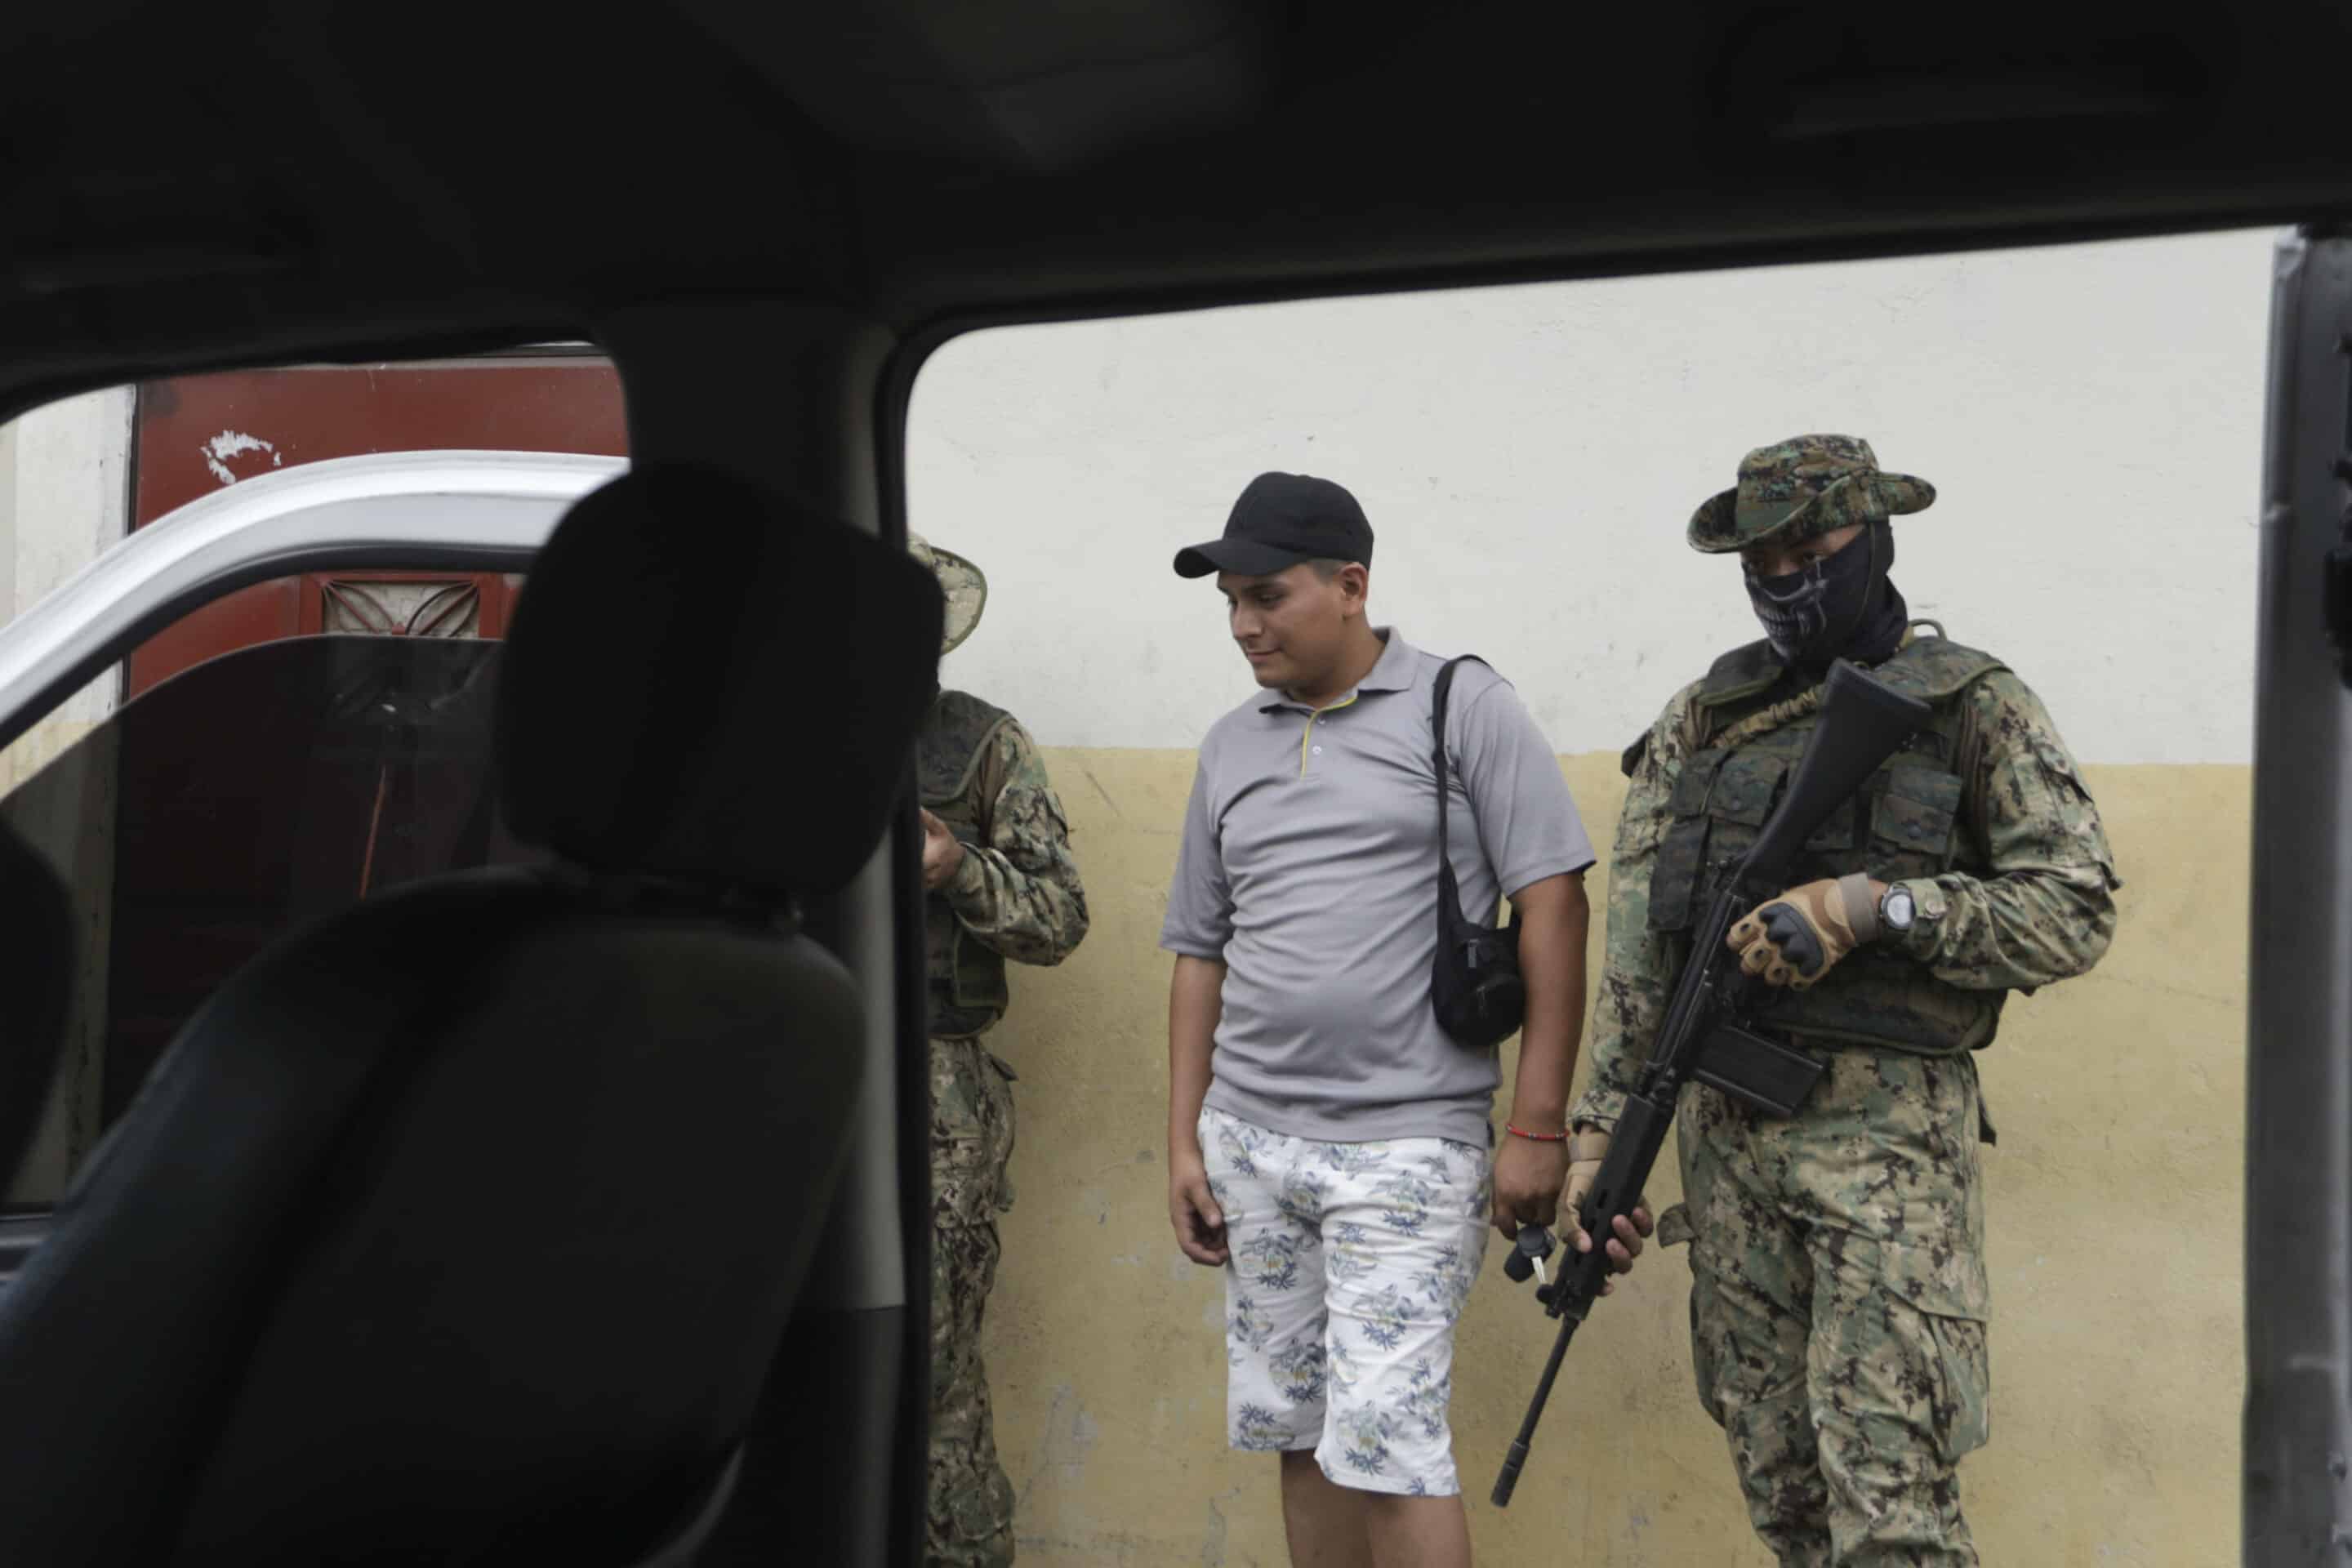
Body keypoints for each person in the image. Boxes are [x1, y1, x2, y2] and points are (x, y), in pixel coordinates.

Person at [1566, 435, 2120, 1566]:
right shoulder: (1704, 721)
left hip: (1887, 1159)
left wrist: (1875, 911)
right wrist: (1597, 1142)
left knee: (1891, 1507)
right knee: (1786, 1496)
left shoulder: (1972, 705)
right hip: (1728, 1156)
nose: (1786, 576)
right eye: (1761, 556)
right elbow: (1639, 952)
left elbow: (2074, 908)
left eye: (1812, 546)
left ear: (1875, 537)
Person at [1159, 471, 1648, 1568]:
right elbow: (1198, 948)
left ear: (1351, 586)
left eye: (1267, 597)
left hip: (1406, 1145)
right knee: (1302, 1431)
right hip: (1253, 1144)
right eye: (1230, 600)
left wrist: (1535, 1123)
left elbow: (1553, 903)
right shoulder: (1231, 742)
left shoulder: (1459, 705)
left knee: (1391, 1444)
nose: (1244, 625)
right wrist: (1185, 1140)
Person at [910, 532, 1091, 1568]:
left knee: (932, 1375)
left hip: (941, 1100)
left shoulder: (981, 746)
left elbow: (1060, 918)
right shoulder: (761, 739)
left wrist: (956, 871)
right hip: (788, 1083)